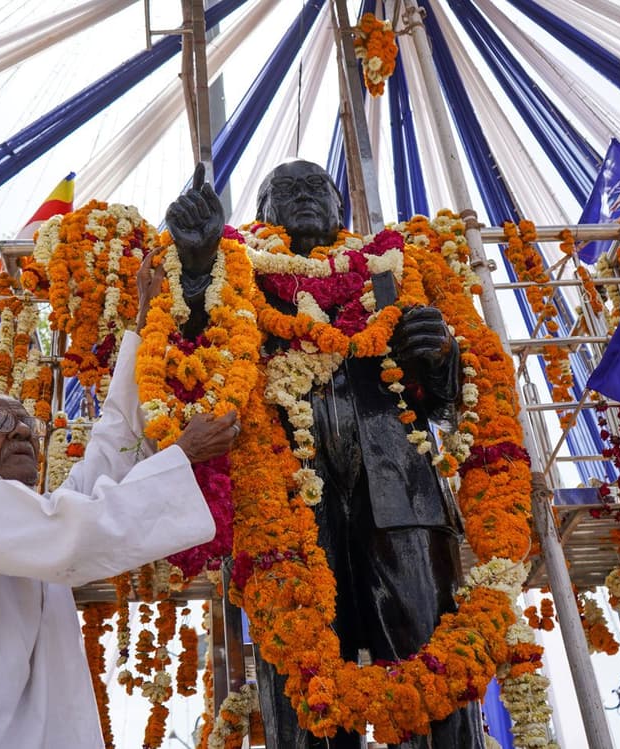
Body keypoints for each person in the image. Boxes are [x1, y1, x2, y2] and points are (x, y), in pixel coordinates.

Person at [0, 250, 238, 748]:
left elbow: (111, 452)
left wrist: (144, 322)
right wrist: (181, 455)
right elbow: (69, 533)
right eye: (3, 423)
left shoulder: (29, 525)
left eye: (30, 428)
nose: (25, 437)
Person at [166, 161, 483, 748]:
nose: (305, 196)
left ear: (342, 208)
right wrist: (195, 268)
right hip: (284, 498)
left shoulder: (392, 266)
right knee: (300, 682)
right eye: (285, 190)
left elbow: (444, 402)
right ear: (263, 212)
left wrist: (440, 355)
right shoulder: (241, 268)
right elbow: (201, 352)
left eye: (318, 187)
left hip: (399, 487)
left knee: (434, 671)